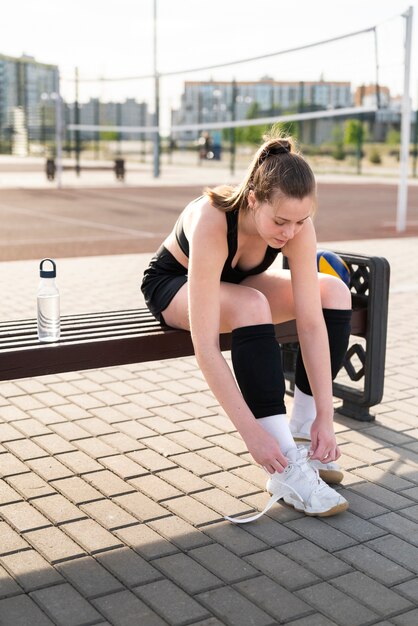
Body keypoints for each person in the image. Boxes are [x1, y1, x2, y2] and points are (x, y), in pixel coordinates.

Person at [141, 133, 352, 521]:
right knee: (251, 304)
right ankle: (286, 467)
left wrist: (326, 413)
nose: (290, 232)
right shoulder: (212, 218)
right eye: (281, 221)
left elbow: (310, 322)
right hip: (174, 284)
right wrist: (253, 435)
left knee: (334, 292)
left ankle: (304, 432)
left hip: (235, 286)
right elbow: (205, 349)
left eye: (301, 221)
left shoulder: (297, 227)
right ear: (254, 198)